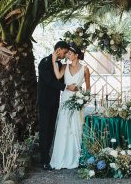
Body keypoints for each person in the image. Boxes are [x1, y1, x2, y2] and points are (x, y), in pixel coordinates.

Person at [50, 42, 91, 170]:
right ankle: (61, 158)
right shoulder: (64, 66)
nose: (68, 55)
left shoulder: (85, 69)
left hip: (77, 100)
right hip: (66, 99)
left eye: (70, 53)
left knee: (76, 128)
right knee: (63, 127)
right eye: (67, 53)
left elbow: (88, 89)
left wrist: (83, 100)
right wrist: (53, 60)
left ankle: (75, 157)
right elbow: (57, 76)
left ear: (76, 55)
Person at [37, 41, 75, 170]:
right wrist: (66, 87)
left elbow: (60, 77)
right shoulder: (44, 62)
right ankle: (43, 159)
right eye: (64, 52)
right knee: (44, 130)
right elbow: (49, 81)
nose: (65, 55)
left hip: (54, 102)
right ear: (58, 50)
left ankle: (47, 155)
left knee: (50, 129)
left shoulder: (58, 63)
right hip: (44, 102)